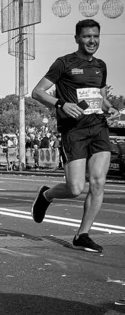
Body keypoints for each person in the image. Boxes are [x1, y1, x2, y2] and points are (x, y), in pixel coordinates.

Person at [31, 19, 119, 253]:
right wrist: (61, 104)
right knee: (75, 188)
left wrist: (109, 106)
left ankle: (82, 235)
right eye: (87, 36)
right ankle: (47, 195)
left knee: (99, 182)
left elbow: (100, 97)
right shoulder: (64, 63)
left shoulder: (101, 65)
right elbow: (37, 92)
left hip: (98, 127)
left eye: (96, 36)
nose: (92, 41)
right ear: (77, 38)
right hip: (74, 131)